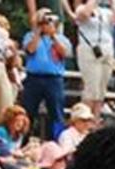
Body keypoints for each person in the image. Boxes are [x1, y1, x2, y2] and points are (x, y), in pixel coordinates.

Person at [21, 8, 71, 140]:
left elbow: (64, 53)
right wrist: (37, 31)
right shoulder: (30, 36)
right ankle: (22, 141)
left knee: (57, 113)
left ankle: (58, 140)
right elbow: (30, 49)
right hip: (33, 79)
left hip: (54, 80)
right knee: (28, 112)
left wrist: (53, 35)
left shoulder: (61, 39)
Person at [73, 0, 115, 119]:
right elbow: (84, 15)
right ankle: (84, 120)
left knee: (100, 92)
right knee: (91, 90)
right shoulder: (81, 8)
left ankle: (95, 120)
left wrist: (113, 3)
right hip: (89, 50)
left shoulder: (105, 12)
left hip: (106, 50)